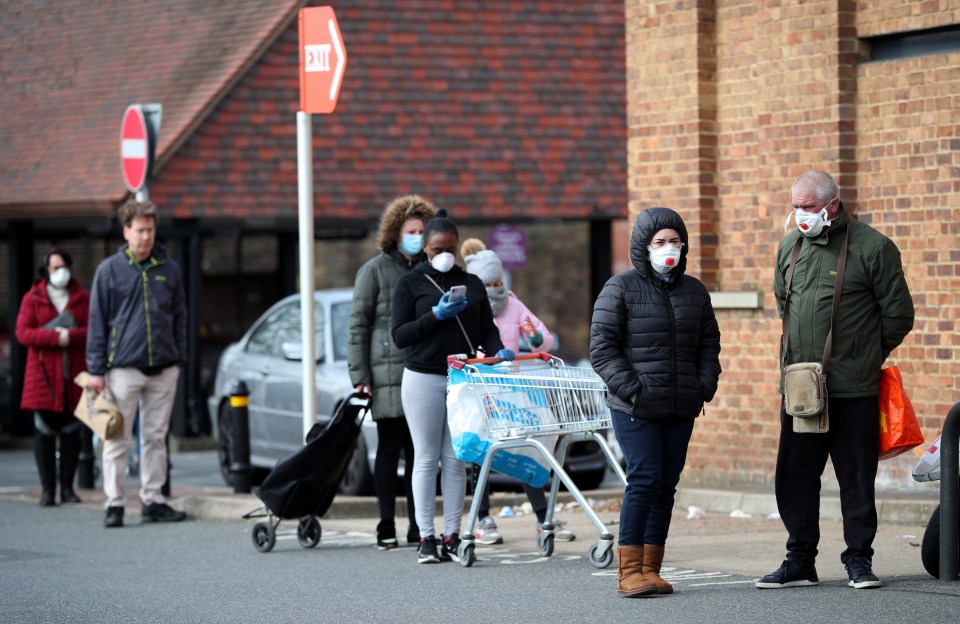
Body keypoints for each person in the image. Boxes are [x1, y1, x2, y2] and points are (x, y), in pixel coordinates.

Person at [756, 169, 914, 590]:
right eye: (795, 208)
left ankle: (859, 560)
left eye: (808, 208)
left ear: (832, 204)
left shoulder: (873, 247)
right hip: (802, 387)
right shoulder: (790, 247)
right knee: (794, 476)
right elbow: (783, 304)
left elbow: (899, 315)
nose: (801, 216)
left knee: (856, 478)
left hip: (853, 388)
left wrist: (863, 355)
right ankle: (799, 560)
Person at [590, 207, 721, 597]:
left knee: (666, 485)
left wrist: (703, 385)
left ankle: (651, 568)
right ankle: (629, 572)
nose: (669, 249)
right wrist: (633, 389)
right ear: (643, 246)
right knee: (644, 480)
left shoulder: (695, 291)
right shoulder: (620, 288)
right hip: (636, 406)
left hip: (681, 404)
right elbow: (602, 349)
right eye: (660, 242)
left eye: (675, 242)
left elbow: (709, 344)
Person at [391, 210, 510, 564]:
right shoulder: (409, 284)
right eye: (437, 248)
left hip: (461, 377)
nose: (444, 254)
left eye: (451, 248)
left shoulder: (471, 283)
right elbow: (400, 335)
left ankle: (453, 534)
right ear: (424, 248)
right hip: (423, 377)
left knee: (456, 459)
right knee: (426, 458)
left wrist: (496, 347)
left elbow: (486, 326)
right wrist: (435, 316)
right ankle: (426, 536)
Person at [460, 239, 576, 544]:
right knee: (480, 454)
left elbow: (543, 340)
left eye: (499, 282)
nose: (495, 288)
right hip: (477, 387)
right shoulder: (468, 306)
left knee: (527, 446)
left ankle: (542, 516)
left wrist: (536, 337)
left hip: (509, 389)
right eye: (489, 283)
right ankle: (483, 517)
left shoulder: (513, 303)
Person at [86, 199, 188, 528]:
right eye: (140, 230)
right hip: (122, 371)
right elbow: (97, 323)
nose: (146, 236)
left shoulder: (169, 269)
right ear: (126, 231)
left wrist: (178, 356)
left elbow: (180, 317)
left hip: (164, 368)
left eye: (151, 229)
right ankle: (114, 503)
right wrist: (96, 370)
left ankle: (153, 499)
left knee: (156, 437)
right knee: (117, 438)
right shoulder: (108, 271)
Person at [348, 194, 437, 550]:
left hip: (421, 371)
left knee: (420, 452)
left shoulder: (430, 272)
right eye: (411, 231)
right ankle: (386, 523)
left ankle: (419, 525)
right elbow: (359, 325)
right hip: (385, 375)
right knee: (389, 449)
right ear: (396, 234)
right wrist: (361, 375)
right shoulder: (373, 271)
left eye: (422, 231)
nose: (416, 236)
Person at [15, 247, 90, 506]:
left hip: (74, 377)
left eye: (64, 267)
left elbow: (95, 330)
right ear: (46, 271)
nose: (61, 272)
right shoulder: (32, 298)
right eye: (55, 268)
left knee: (72, 433)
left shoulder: (83, 298)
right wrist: (56, 337)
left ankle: (68, 488)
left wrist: (72, 336)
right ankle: (48, 489)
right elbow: (23, 333)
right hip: (43, 376)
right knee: (44, 433)